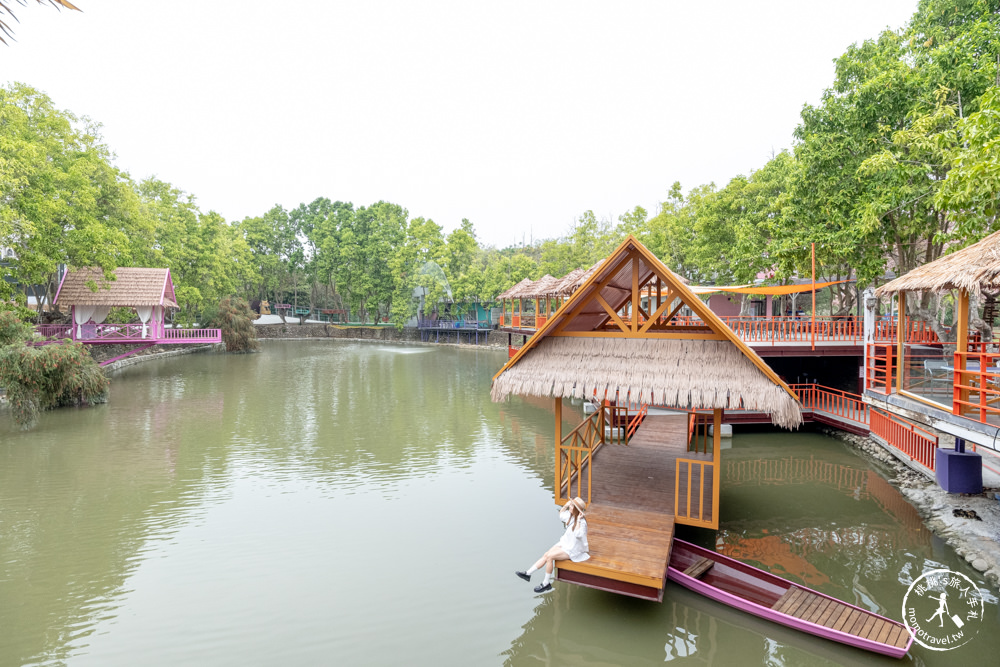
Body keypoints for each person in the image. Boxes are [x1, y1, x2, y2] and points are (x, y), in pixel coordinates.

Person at [515, 497, 589, 594]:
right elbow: (561, 514)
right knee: (546, 554)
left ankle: (546, 583)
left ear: (576, 509)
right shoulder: (570, 516)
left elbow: (578, 535)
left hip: (573, 549)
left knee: (550, 557)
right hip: (565, 543)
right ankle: (528, 573)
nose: (569, 507)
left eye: (571, 506)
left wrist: (579, 520)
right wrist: (566, 505)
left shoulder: (582, 523)